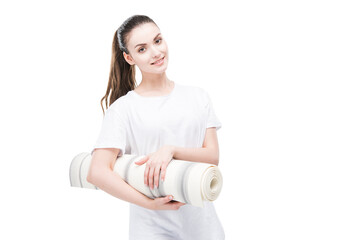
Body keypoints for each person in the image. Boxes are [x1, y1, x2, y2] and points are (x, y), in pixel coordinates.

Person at [87, 14, 225, 240]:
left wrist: (171, 150)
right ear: (129, 58)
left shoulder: (198, 97)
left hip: (204, 227)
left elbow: (212, 158)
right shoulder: (124, 109)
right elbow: (97, 171)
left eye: (158, 41)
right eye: (142, 49)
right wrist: (150, 204)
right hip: (151, 228)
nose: (156, 52)